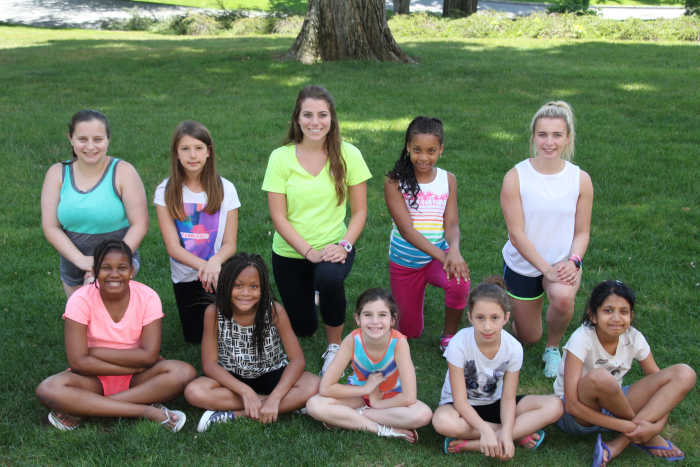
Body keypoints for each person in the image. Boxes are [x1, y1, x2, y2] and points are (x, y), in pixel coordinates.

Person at [262, 85, 371, 375]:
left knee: (329, 278)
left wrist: (344, 245)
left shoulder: (349, 154)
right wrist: (308, 252)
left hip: (333, 247)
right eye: (307, 115)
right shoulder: (280, 158)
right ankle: (314, 294)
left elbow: (360, 212)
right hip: (290, 252)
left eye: (322, 115)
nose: (315, 122)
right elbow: (278, 218)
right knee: (303, 327)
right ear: (297, 118)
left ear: (332, 118)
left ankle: (334, 347)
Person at [35, 239, 196, 432]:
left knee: (184, 373)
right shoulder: (79, 300)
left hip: (138, 377)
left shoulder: (148, 297)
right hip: (92, 377)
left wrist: (93, 352)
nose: (114, 274)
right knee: (47, 390)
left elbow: (148, 357)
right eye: (106, 267)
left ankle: (87, 408)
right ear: (94, 271)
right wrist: (136, 365)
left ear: (131, 271)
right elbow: (78, 363)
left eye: (122, 267)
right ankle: (144, 410)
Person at [552, 280, 696, 466]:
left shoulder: (633, 337)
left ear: (631, 315)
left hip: (615, 404)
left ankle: (619, 444)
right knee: (600, 376)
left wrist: (656, 428)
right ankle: (638, 434)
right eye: (608, 310)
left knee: (685, 373)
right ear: (593, 315)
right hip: (577, 415)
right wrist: (628, 426)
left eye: (624, 311)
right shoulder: (581, 339)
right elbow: (572, 406)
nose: (617, 318)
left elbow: (662, 387)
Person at [500, 101, 594, 377]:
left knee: (563, 298)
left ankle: (553, 348)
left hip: (563, 262)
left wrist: (574, 261)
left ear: (568, 138)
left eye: (556, 135)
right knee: (528, 337)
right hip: (523, 265)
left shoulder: (580, 179)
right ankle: (515, 316)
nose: (549, 142)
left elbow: (582, 232)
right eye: (542, 135)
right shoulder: (515, 177)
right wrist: (546, 269)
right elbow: (516, 234)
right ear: (533, 137)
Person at [184, 253, 321, 432]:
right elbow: (209, 364)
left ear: (262, 288)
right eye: (238, 285)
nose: (246, 293)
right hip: (232, 375)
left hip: (271, 371)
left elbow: (297, 360)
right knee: (194, 392)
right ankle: (283, 404)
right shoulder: (214, 313)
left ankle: (236, 415)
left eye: (254, 286)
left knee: (315, 385)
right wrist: (246, 392)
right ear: (225, 285)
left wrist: (276, 396)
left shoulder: (273, 311)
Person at [432, 277, 564, 460]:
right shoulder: (459, 344)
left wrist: (507, 432)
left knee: (555, 406)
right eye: (480, 318)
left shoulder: (513, 348)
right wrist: (486, 430)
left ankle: (478, 443)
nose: (487, 327)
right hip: (459, 407)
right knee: (441, 421)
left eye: (495, 318)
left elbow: (508, 399)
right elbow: (460, 401)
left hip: (496, 403)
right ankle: (511, 435)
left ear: (506, 318)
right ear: (470, 317)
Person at [41, 109, 148, 299]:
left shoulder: (124, 172)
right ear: (70, 139)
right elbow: (51, 227)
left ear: (108, 139)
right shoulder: (57, 174)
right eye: (82, 139)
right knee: (81, 315)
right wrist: (80, 260)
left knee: (111, 315)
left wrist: (109, 262)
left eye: (98, 139)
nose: (90, 146)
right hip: (73, 264)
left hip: (118, 263)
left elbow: (140, 224)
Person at [384, 116, 470, 349]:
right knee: (410, 332)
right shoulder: (394, 183)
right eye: (417, 150)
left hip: (435, 258)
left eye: (431, 151)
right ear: (408, 147)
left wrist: (453, 251)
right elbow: (407, 231)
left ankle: (449, 337)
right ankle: (408, 300)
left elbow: (451, 223)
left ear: (441, 149)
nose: (424, 157)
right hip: (405, 263)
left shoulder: (448, 180)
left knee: (460, 281)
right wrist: (445, 257)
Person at [306, 288, 433, 443]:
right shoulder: (352, 340)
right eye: (367, 314)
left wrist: (378, 404)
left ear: (393, 320)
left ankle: (356, 416)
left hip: (391, 399)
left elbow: (409, 397)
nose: (375, 321)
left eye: (382, 315)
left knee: (423, 414)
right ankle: (382, 429)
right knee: (314, 404)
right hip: (358, 396)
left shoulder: (398, 344)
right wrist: (365, 389)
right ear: (358, 319)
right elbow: (326, 388)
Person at [154, 121, 240, 343]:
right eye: (185, 148)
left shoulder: (226, 188)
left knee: (225, 335)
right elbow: (173, 247)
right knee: (195, 337)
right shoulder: (165, 190)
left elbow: (230, 243)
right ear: (176, 153)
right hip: (185, 276)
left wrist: (214, 263)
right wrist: (204, 266)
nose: (192, 155)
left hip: (218, 273)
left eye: (199, 148)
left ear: (209, 152)